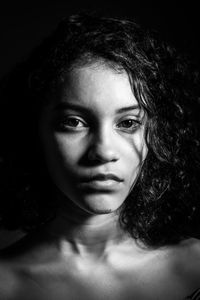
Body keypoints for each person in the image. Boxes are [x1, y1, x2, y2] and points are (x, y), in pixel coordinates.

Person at [0, 12, 200, 300]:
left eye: (128, 123)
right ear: (34, 130)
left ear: (157, 134)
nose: (103, 151)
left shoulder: (195, 266)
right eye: (74, 122)